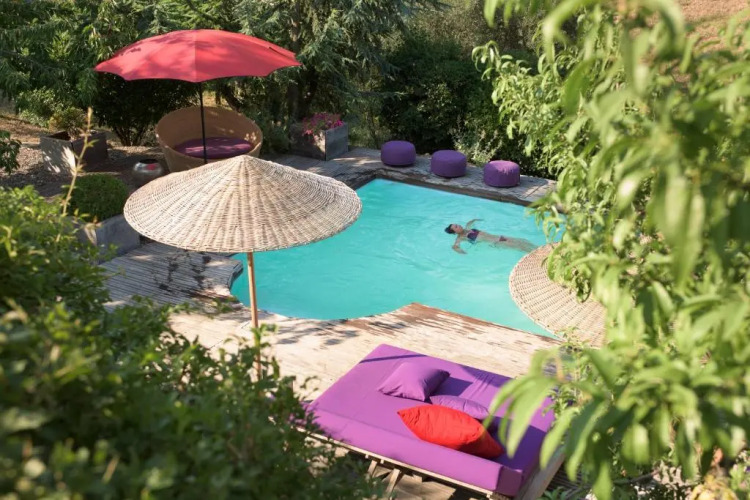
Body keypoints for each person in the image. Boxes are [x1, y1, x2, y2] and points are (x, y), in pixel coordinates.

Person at [445, 219, 537, 254]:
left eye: (457, 224)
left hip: (499, 237)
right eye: (456, 227)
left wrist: (477, 219)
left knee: (522, 241)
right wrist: (461, 251)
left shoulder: (468, 227)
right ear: (454, 232)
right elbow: (455, 246)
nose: (458, 225)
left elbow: (471, 221)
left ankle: (539, 249)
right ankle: (538, 256)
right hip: (495, 243)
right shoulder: (461, 238)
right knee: (519, 247)